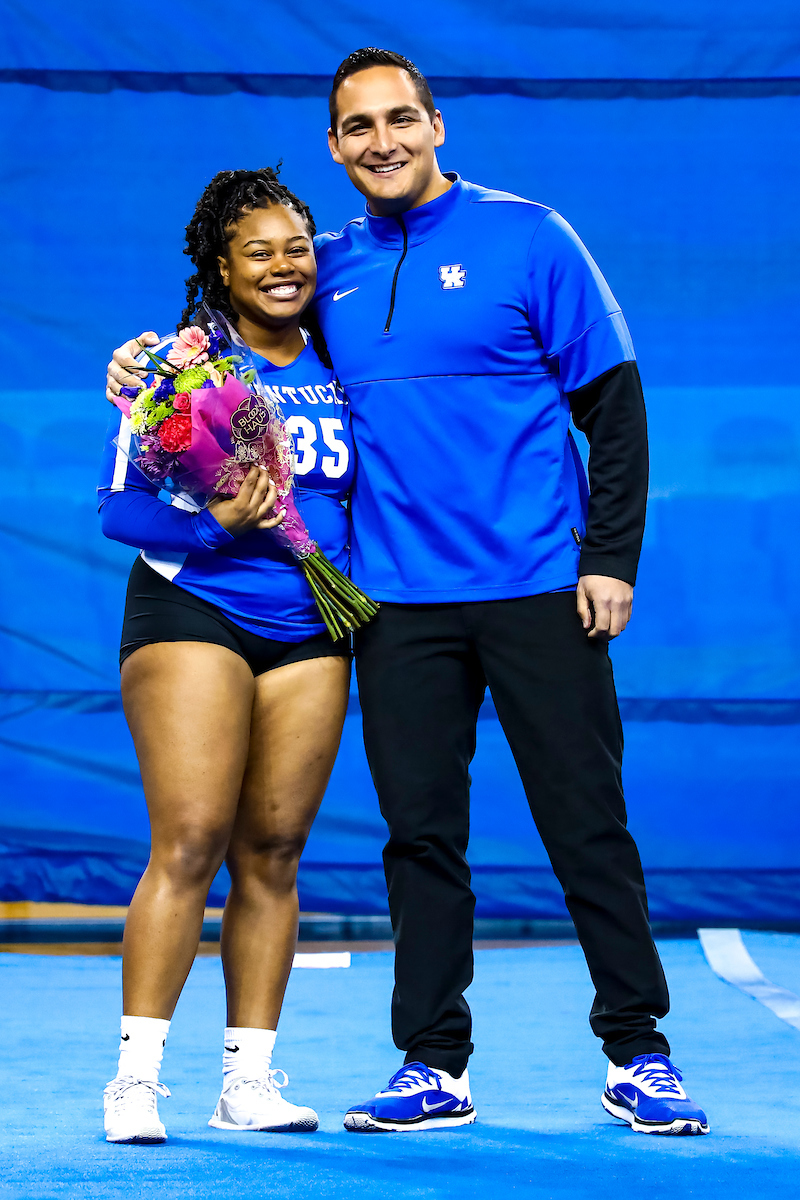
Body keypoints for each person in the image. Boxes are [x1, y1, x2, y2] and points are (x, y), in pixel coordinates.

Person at [106, 49, 709, 1137]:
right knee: (418, 836)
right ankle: (432, 1062)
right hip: (394, 607)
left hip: (536, 586)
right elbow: (233, 338)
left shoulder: (530, 237)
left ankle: (639, 1052)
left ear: (436, 126)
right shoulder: (320, 265)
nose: (380, 141)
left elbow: (612, 405)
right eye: (356, 128)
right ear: (334, 146)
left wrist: (608, 557)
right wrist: (143, 361)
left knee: (586, 827)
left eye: (399, 120)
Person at [98, 168, 354, 1143]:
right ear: (221, 266)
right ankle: (134, 1079)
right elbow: (120, 506)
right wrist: (211, 524)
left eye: (298, 249)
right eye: (261, 251)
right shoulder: (179, 369)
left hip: (312, 627)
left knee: (274, 852)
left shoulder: (344, 358)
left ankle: (245, 1080)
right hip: (193, 607)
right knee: (192, 839)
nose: (284, 266)